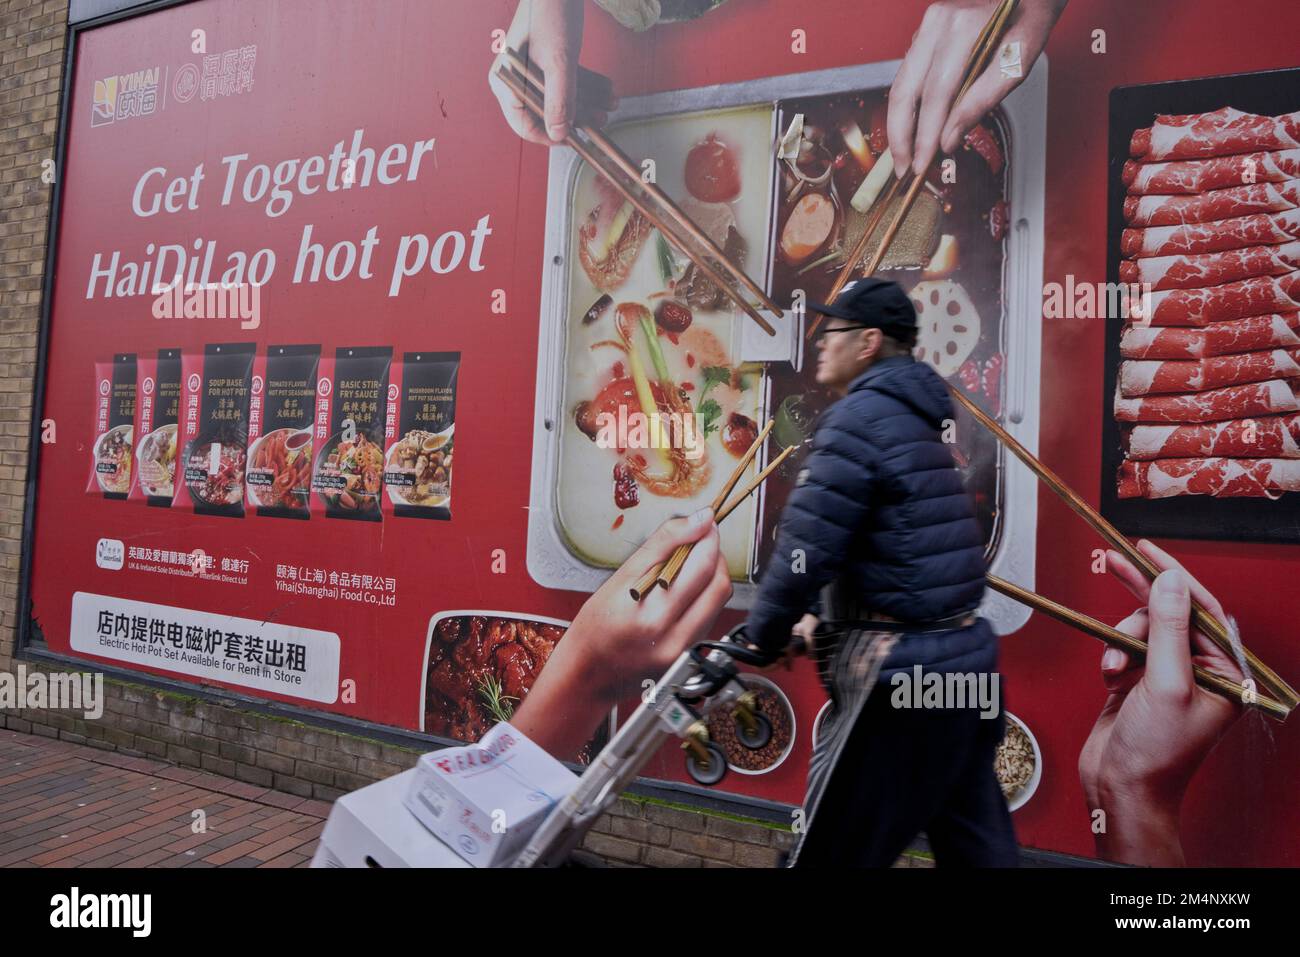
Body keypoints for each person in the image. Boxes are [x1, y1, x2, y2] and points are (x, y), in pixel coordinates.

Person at [743, 278, 1018, 867]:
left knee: (831, 856)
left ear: (868, 342)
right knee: (980, 854)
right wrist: (824, 614)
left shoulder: (857, 419)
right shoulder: (916, 423)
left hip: (902, 677)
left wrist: (761, 634)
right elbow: (892, 541)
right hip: (966, 666)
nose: (820, 343)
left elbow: (806, 548)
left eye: (832, 331)